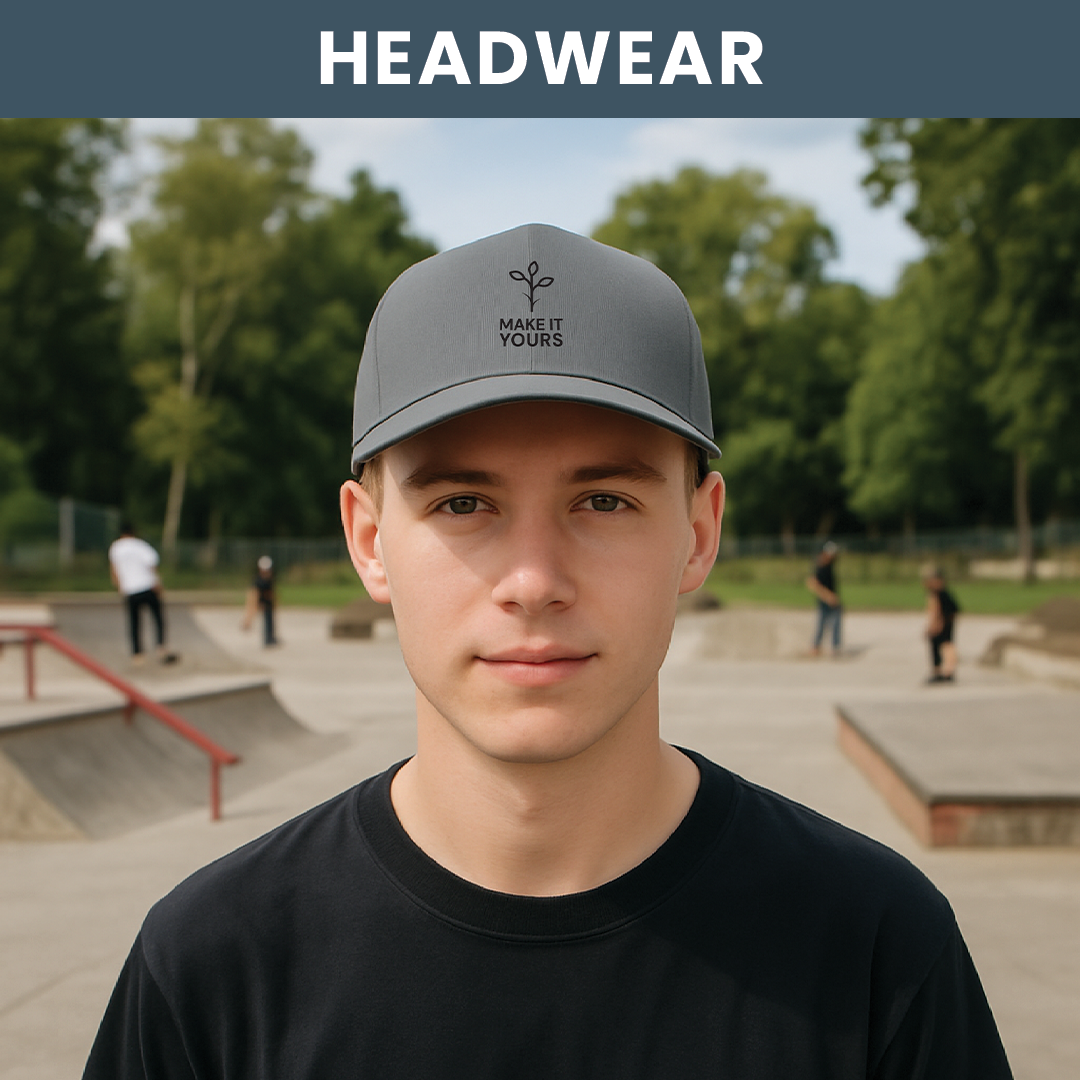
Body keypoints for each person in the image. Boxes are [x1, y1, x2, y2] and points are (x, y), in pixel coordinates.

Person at [84, 225, 1011, 1078]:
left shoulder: (874, 948)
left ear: (697, 532)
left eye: (603, 501)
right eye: (462, 504)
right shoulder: (212, 968)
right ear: (369, 540)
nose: (534, 580)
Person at [107, 522, 178, 666]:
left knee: (134, 622)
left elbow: (114, 570)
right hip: (147, 586)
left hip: (130, 590)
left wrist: (120, 586)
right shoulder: (141, 545)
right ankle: (161, 647)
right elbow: (151, 565)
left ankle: (137, 654)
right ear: (134, 532)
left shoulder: (116, 548)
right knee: (157, 618)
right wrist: (158, 583)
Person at [924, 565, 961, 683]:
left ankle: (944, 671)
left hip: (943, 623)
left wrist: (934, 625)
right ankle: (945, 671)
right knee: (945, 646)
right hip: (946, 622)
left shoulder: (939, 594)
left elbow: (936, 611)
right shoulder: (942, 594)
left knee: (945, 646)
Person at [806, 540, 842, 656]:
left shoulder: (829, 564)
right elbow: (812, 583)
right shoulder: (821, 566)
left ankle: (828, 647)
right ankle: (819, 647)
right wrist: (828, 596)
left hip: (831, 598)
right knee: (823, 623)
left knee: (829, 622)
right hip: (826, 599)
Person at [241, 555, 278, 647]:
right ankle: (267, 639)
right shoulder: (258, 581)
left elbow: (272, 592)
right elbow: (253, 598)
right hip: (261, 602)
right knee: (266, 620)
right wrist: (248, 619)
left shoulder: (269, 579)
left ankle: (270, 637)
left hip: (268, 603)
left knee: (270, 620)